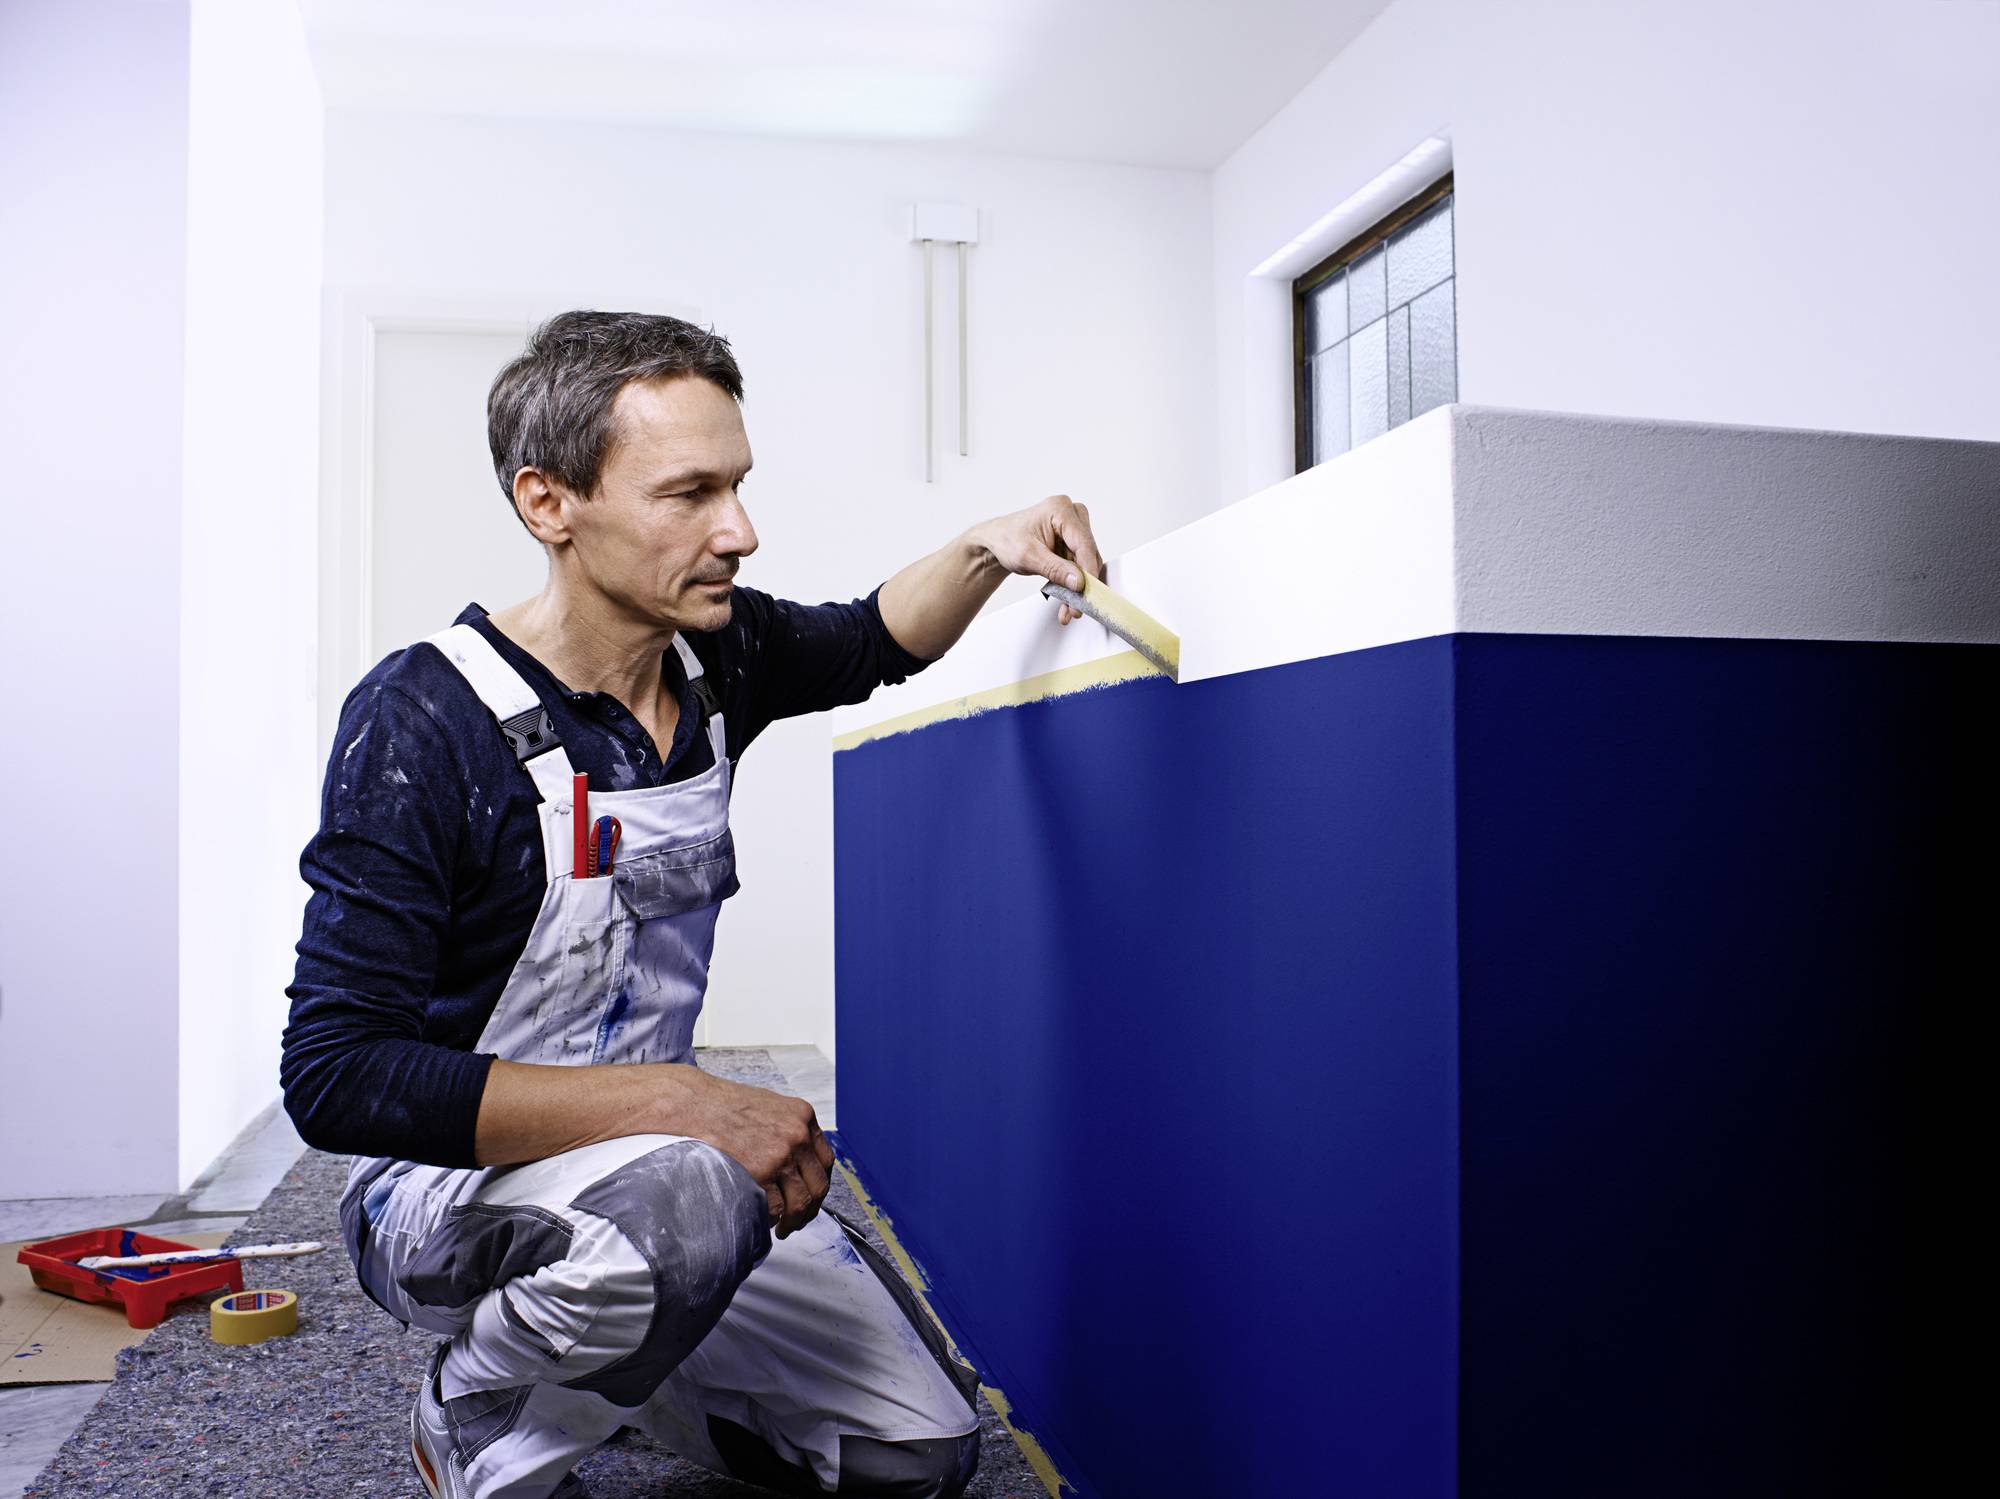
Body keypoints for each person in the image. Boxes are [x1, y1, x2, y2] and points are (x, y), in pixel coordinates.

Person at [279, 310, 1106, 1499]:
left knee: (912, 1452)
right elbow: (336, 1076)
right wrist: (684, 1098)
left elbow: (877, 636)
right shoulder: (422, 719)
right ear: (548, 502)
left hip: (665, 1180)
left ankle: (626, 1357)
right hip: (440, 1189)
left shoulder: (718, 655)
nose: (740, 530)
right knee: (686, 1204)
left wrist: (991, 542)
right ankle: (473, 1413)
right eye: (689, 493)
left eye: (739, 484)